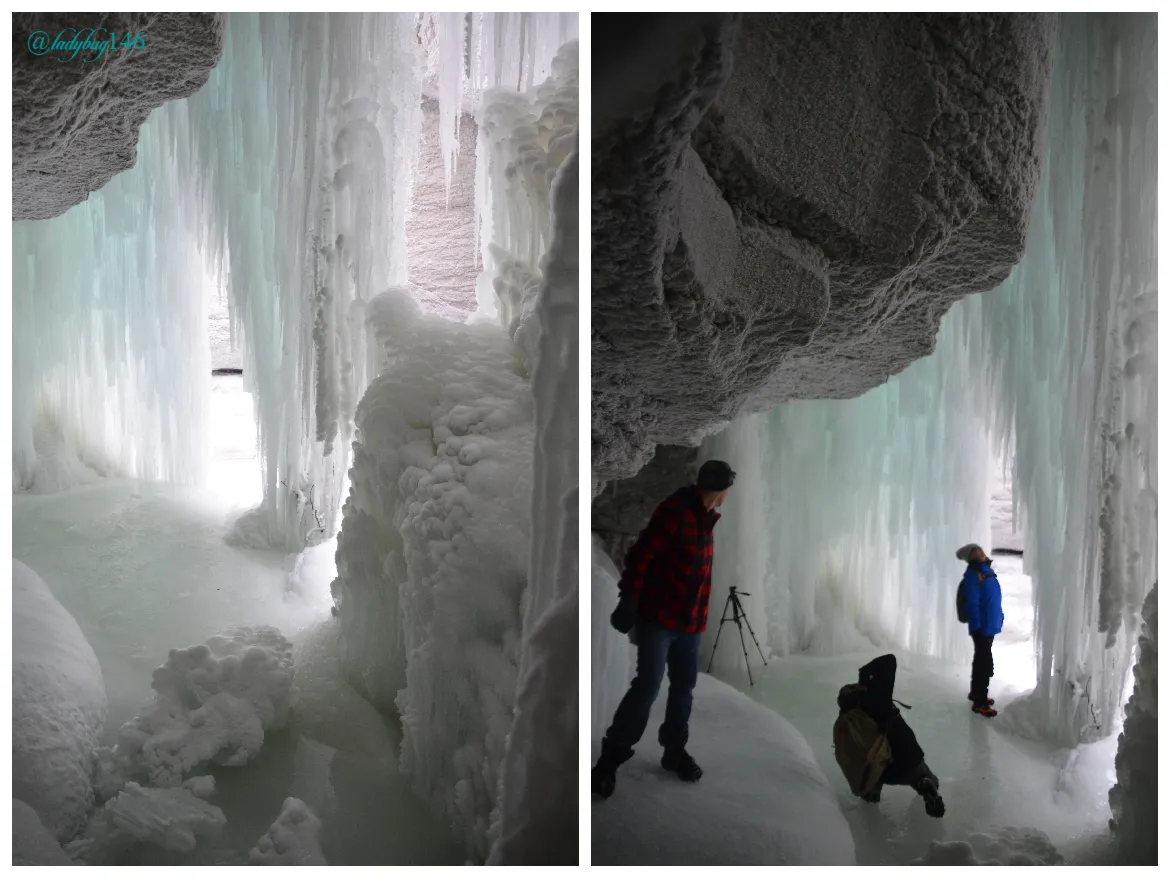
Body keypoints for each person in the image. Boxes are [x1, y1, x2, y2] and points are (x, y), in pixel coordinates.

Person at [591, 459, 736, 799]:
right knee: (647, 686)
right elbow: (640, 557)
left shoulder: (703, 518)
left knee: (683, 687)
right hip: (660, 620)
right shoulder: (675, 512)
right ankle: (609, 761)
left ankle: (674, 750)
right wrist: (629, 601)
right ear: (721, 490)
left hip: (691, 623)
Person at [836, 654, 945, 817]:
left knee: (873, 758)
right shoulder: (876, 700)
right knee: (928, 779)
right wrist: (865, 676)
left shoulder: (846, 719)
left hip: (878, 768)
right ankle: (924, 784)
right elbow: (889, 660)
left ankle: (871, 795)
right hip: (907, 759)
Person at [956, 543, 1003, 717]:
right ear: (972, 557)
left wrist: (999, 618)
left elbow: (993, 598)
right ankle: (980, 702)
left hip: (989, 624)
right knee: (984, 664)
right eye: (976, 552)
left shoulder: (985, 571)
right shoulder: (973, 575)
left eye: (980, 550)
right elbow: (972, 603)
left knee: (980, 659)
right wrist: (976, 627)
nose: (981, 553)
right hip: (982, 626)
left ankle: (976, 692)